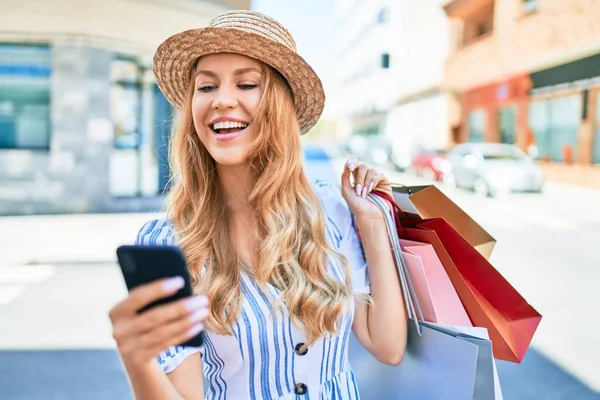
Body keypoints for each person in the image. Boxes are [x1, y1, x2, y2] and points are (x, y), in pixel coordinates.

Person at [109, 10, 407, 400]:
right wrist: (139, 361)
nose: (222, 100)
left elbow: (387, 345)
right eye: (206, 87)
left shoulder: (330, 210)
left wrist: (369, 221)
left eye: (247, 84)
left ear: (280, 106)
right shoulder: (168, 241)